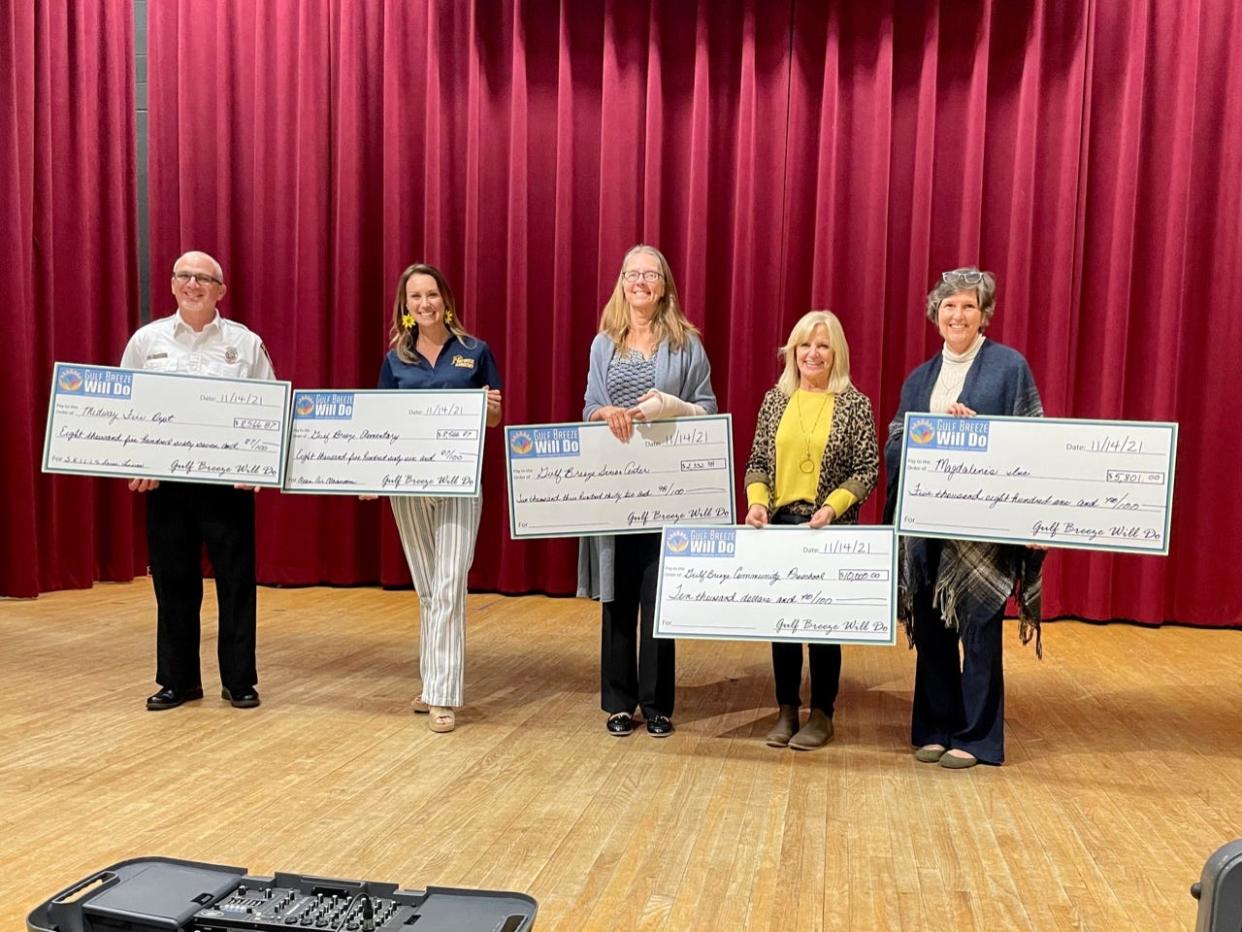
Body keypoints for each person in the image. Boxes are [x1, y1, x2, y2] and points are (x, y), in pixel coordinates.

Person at [883, 266, 1045, 769]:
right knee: (932, 635)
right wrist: (926, 436)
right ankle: (935, 727)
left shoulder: (1009, 368)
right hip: (927, 528)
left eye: (969, 306)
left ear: (985, 317)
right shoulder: (919, 378)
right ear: (936, 316)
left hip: (981, 535)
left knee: (978, 636)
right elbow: (893, 443)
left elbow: (1033, 442)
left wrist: (983, 435)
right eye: (949, 306)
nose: (958, 314)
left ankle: (976, 738)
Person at [122, 251, 275, 711]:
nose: (193, 285)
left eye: (204, 279)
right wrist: (137, 461)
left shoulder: (245, 343)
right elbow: (125, 410)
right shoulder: (146, 342)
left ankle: (239, 680)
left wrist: (256, 466)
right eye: (185, 276)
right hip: (165, 487)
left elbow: (266, 407)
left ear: (220, 291)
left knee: (236, 583)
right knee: (172, 584)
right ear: (171, 285)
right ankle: (179, 680)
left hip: (227, 486)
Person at [579, 245, 717, 738]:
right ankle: (619, 702)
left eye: (650, 274)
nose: (641, 282)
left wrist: (668, 404)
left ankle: (657, 703)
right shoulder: (604, 344)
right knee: (617, 597)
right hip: (615, 492)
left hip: (668, 493)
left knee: (660, 595)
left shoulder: (687, 344)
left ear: (664, 285)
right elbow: (589, 406)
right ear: (621, 281)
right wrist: (604, 414)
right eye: (632, 274)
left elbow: (708, 410)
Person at [743, 311, 879, 750]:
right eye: (804, 345)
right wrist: (758, 502)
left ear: (835, 352)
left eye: (822, 345)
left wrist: (833, 508)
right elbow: (757, 462)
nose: (812, 354)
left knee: (822, 628)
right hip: (780, 524)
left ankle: (822, 714)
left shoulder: (854, 403)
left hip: (826, 527)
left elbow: (867, 468)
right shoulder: (775, 400)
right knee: (781, 626)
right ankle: (786, 710)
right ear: (793, 352)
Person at [377, 263, 502, 734]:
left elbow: (494, 419)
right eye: (415, 297)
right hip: (409, 487)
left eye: (432, 294)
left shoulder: (475, 352)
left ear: (446, 300)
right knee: (429, 589)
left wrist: (491, 411)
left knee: (450, 585)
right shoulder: (395, 360)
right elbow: (383, 423)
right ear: (405, 307)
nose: (425, 304)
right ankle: (433, 681)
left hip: (459, 484)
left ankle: (443, 696)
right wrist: (373, 475)